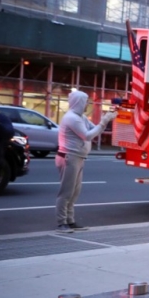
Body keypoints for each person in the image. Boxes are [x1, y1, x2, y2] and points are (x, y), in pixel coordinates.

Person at [55, 90, 115, 232]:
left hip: (77, 157)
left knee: (74, 192)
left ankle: (70, 221)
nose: (88, 104)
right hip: (69, 157)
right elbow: (87, 136)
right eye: (86, 101)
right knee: (66, 192)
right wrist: (104, 121)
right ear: (79, 102)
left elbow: (94, 129)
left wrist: (104, 121)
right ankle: (61, 222)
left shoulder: (79, 117)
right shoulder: (72, 118)